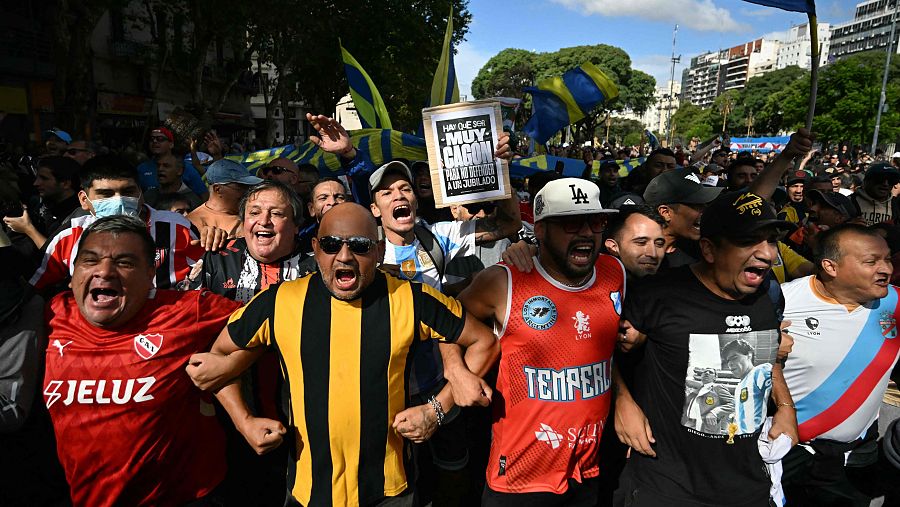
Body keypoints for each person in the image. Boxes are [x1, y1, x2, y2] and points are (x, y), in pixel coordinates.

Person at [187, 203, 500, 507]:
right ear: (315, 247)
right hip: (306, 491)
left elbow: (484, 342)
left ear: (378, 251)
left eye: (360, 246)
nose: (345, 256)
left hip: (390, 491)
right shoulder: (278, 301)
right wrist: (244, 422)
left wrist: (436, 411)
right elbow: (216, 360)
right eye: (331, 244)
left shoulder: (410, 299)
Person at [613, 191, 799, 506]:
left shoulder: (765, 298)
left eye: (770, 240)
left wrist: (785, 408)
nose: (767, 254)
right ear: (710, 249)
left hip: (748, 486)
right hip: (668, 488)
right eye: (748, 241)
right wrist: (622, 403)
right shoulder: (658, 295)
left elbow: (768, 359)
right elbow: (595, 351)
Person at [43, 215, 242, 506]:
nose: (105, 272)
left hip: (183, 498)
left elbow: (273, 317)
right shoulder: (51, 314)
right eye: (90, 260)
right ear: (73, 273)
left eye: (124, 262)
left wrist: (230, 364)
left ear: (150, 273)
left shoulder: (188, 310)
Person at [458, 177, 623, 505]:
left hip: (586, 471)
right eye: (571, 223)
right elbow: (444, 322)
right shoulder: (503, 281)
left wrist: (626, 399)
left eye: (596, 221)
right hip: (520, 479)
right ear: (542, 230)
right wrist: (455, 369)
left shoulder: (614, 272)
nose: (587, 233)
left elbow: (605, 351)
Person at [780, 224, 900, 506]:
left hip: (855, 460)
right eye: (871, 261)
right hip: (785, 454)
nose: (885, 269)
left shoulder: (896, 304)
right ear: (830, 267)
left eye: (887, 259)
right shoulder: (783, 302)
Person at [29, 155, 221, 291]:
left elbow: (209, 274)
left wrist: (217, 241)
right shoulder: (68, 238)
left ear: (141, 193)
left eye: (128, 192)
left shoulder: (178, 229)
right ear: (84, 200)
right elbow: (36, 288)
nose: (119, 201)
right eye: (105, 194)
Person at [642, 168, 722, 270]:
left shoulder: (701, 253)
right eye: (696, 205)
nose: (705, 210)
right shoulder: (635, 257)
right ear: (665, 212)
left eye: (705, 204)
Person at [3, 156, 82, 249]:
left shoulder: (80, 216)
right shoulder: (43, 204)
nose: (36, 183)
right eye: (37, 178)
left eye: (44, 178)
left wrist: (28, 229)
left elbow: (58, 255)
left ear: (65, 183)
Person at [187, 159, 262, 238]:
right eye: (240, 188)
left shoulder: (253, 212)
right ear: (218, 189)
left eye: (249, 188)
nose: (247, 193)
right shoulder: (193, 224)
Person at [136, 127, 209, 199]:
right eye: (151, 139)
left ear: (171, 144)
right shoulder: (141, 169)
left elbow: (204, 196)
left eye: (160, 139)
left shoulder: (185, 167)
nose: (155, 141)